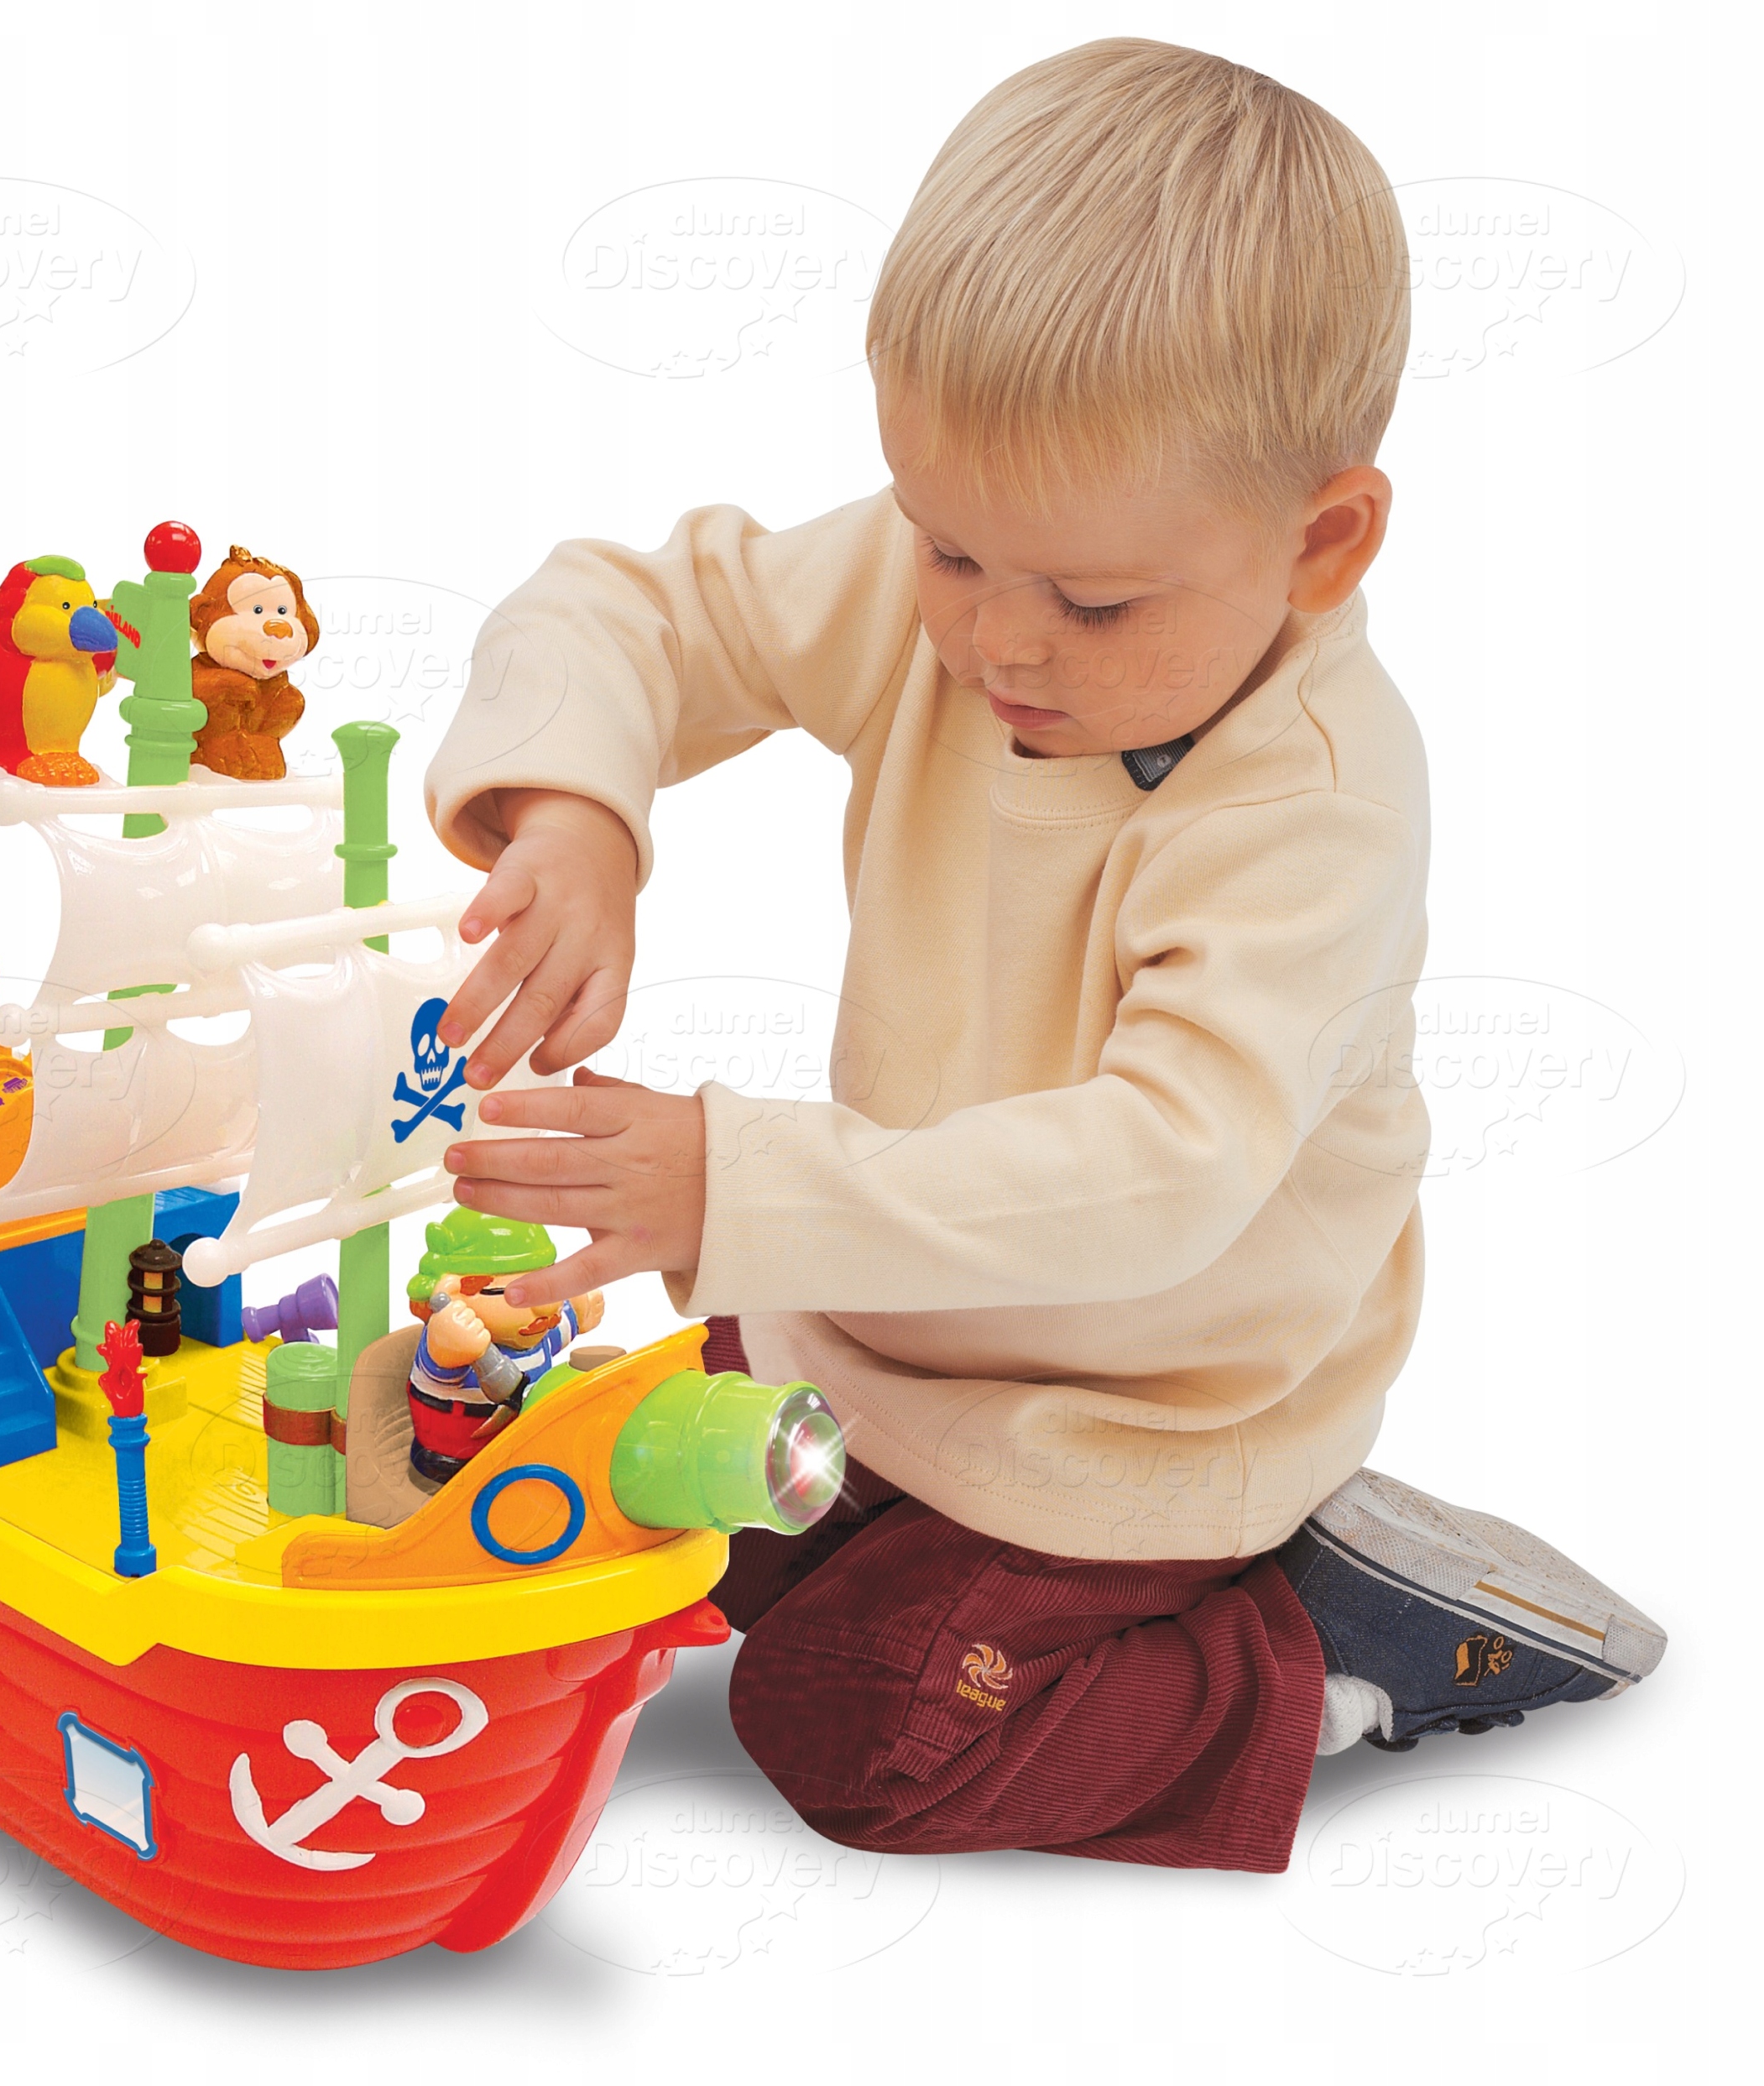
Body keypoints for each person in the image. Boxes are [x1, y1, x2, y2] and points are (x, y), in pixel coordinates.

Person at [420, 40, 1664, 1870]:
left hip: (1130, 1417)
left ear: (1320, 542)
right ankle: (925, 1534)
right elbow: (634, 607)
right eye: (945, 550)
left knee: (858, 1728)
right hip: (876, 1317)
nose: (995, 641)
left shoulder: (1309, 810)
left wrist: (732, 1182)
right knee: (616, 1524)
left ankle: (1311, 1641)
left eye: (1090, 600)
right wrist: (578, 813)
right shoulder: (979, 583)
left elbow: (1156, 1180)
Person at [404, 1209, 605, 1483]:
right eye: (509, 1292)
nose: (547, 1304)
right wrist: (447, 1340)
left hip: (529, 1444)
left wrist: (580, 1314)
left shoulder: (537, 1334)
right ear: (451, 1293)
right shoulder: (444, 1346)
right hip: (461, 1461)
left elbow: (561, 1330)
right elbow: (440, 1361)